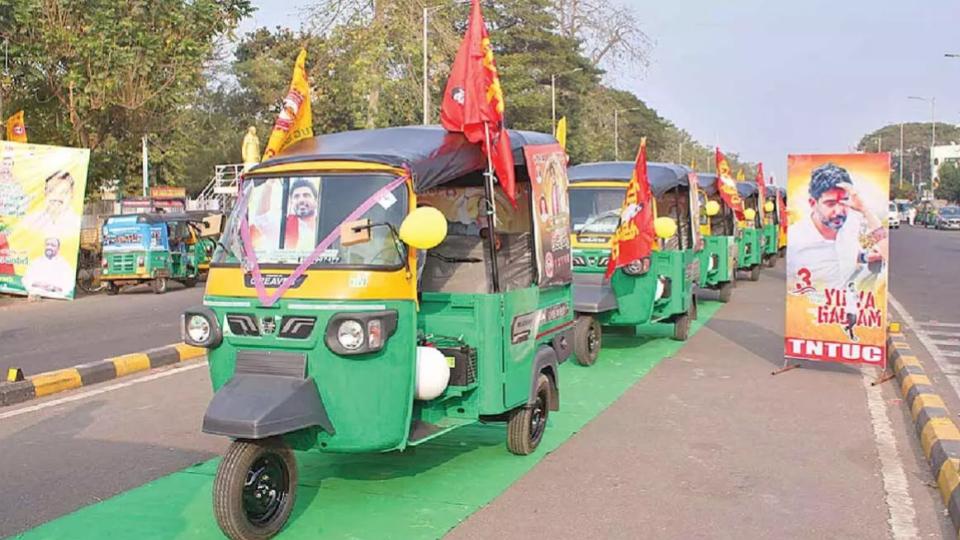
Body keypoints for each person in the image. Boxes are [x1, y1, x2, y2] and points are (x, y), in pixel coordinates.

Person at [786, 163, 886, 290]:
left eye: (844, 202)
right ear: (813, 203)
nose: (839, 211)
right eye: (830, 204)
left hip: (847, 306)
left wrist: (865, 257)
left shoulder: (851, 224)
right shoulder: (797, 238)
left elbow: (882, 248)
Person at [250, 179, 318, 252]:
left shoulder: (325, 223)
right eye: (296, 197)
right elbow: (261, 219)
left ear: (316, 201)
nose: (301, 200)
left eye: (306, 195)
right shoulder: (283, 226)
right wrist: (269, 184)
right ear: (292, 202)